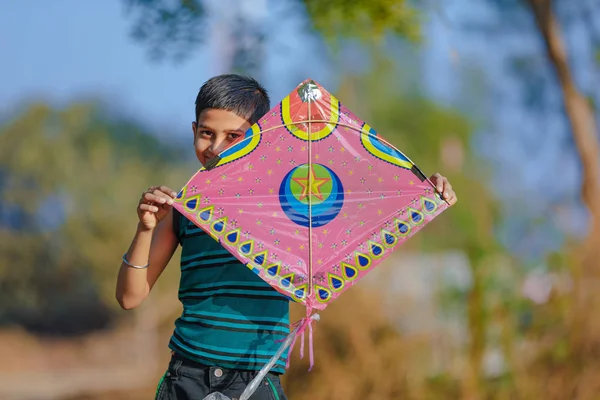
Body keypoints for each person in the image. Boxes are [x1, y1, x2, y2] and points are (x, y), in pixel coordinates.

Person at [115, 74, 458, 400]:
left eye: (234, 137)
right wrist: (145, 227)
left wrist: (425, 194)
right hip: (187, 378)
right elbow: (130, 297)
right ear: (193, 131)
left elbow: (367, 204)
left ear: (263, 139)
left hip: (257, 378)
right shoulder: (183, 208)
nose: (216, 147)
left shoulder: (291, 206)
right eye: (206, 133)